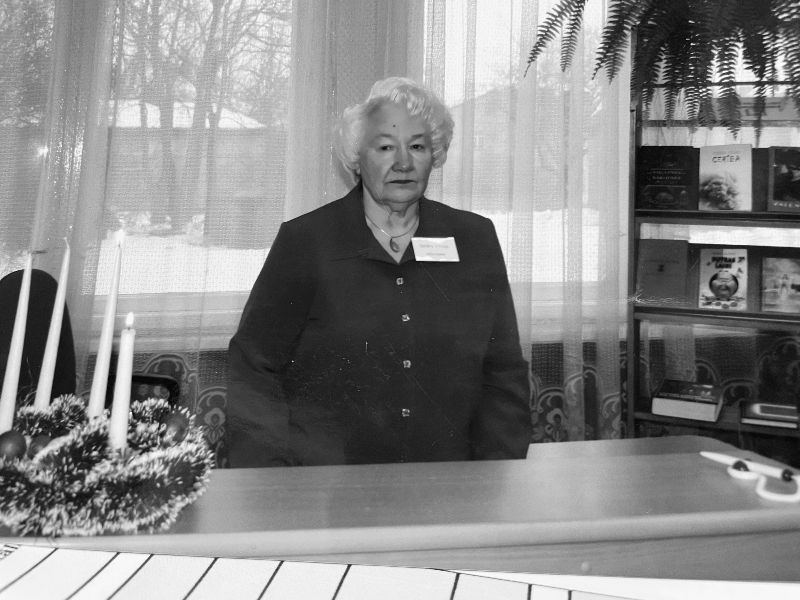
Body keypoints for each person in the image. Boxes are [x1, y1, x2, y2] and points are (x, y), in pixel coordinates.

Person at [226, 76, 531, 467]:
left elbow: (503, 371)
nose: (403, 163)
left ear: (435, 154)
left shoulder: (474, 239)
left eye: (417, 146)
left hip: (448, 482)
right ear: (357, 156)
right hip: (326, 487)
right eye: (385, 147)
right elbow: (254, 366)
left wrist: (495, 472)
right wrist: (271, 481)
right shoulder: (306, 242)